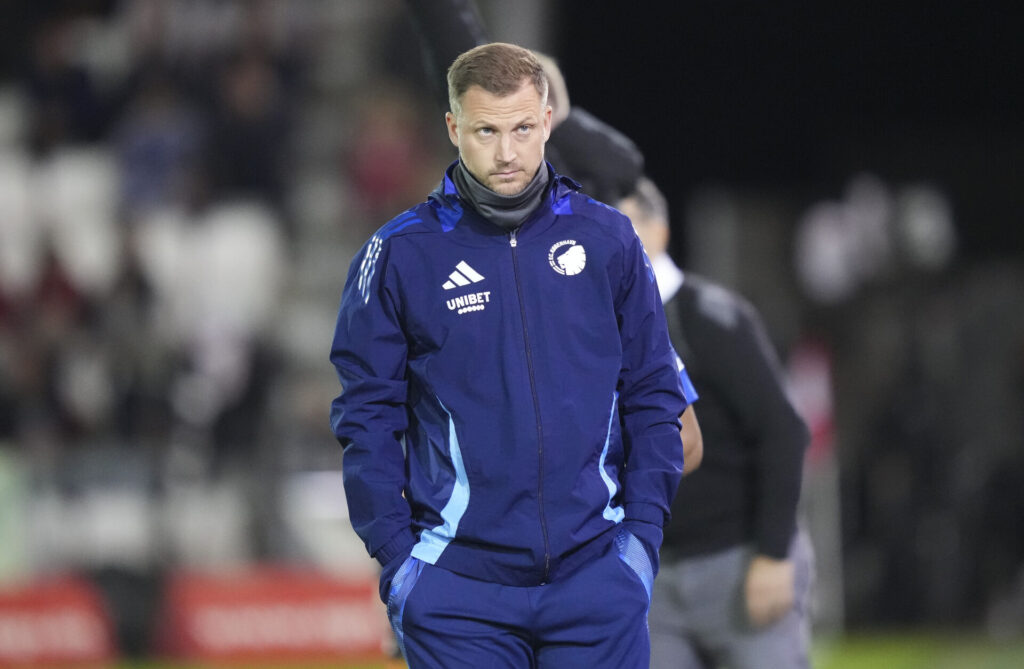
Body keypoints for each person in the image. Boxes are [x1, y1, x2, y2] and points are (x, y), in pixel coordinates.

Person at [329, 43, 699, 668]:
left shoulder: (607, 240)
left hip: (597, 583)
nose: (507, 153)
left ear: (547, 122)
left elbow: (655, 397)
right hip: (457, 593)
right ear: (453, 129)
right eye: (486, 131)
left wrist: (639, 545)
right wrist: (400, 563)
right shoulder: (398, 255)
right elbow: (366, 418)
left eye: (523, 128)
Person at [618, 176, 814, 669]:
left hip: (736, 559)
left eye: (625, 226)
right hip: (653, 573)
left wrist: (772, 553)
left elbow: (782, 431)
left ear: (659, 232)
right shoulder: (593, 327)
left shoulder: (708, 318)